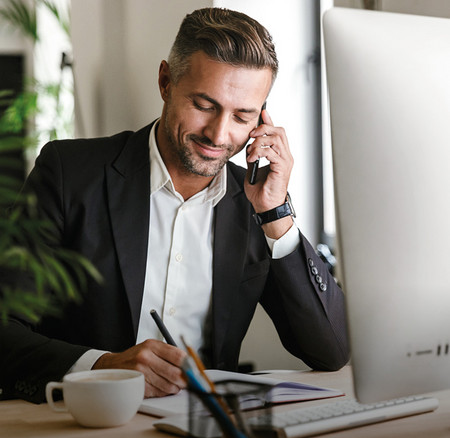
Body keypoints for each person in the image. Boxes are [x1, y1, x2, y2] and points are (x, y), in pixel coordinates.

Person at [0, 7, 349, 404]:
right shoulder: (68, 174)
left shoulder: (256, 202)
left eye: (242, 116)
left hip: (206, 428)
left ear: (262, 118)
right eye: (204, 104)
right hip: (86, 423)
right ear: (166, 81)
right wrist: (103, 367)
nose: (220, 134)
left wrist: (276, 218)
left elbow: (331, 349)